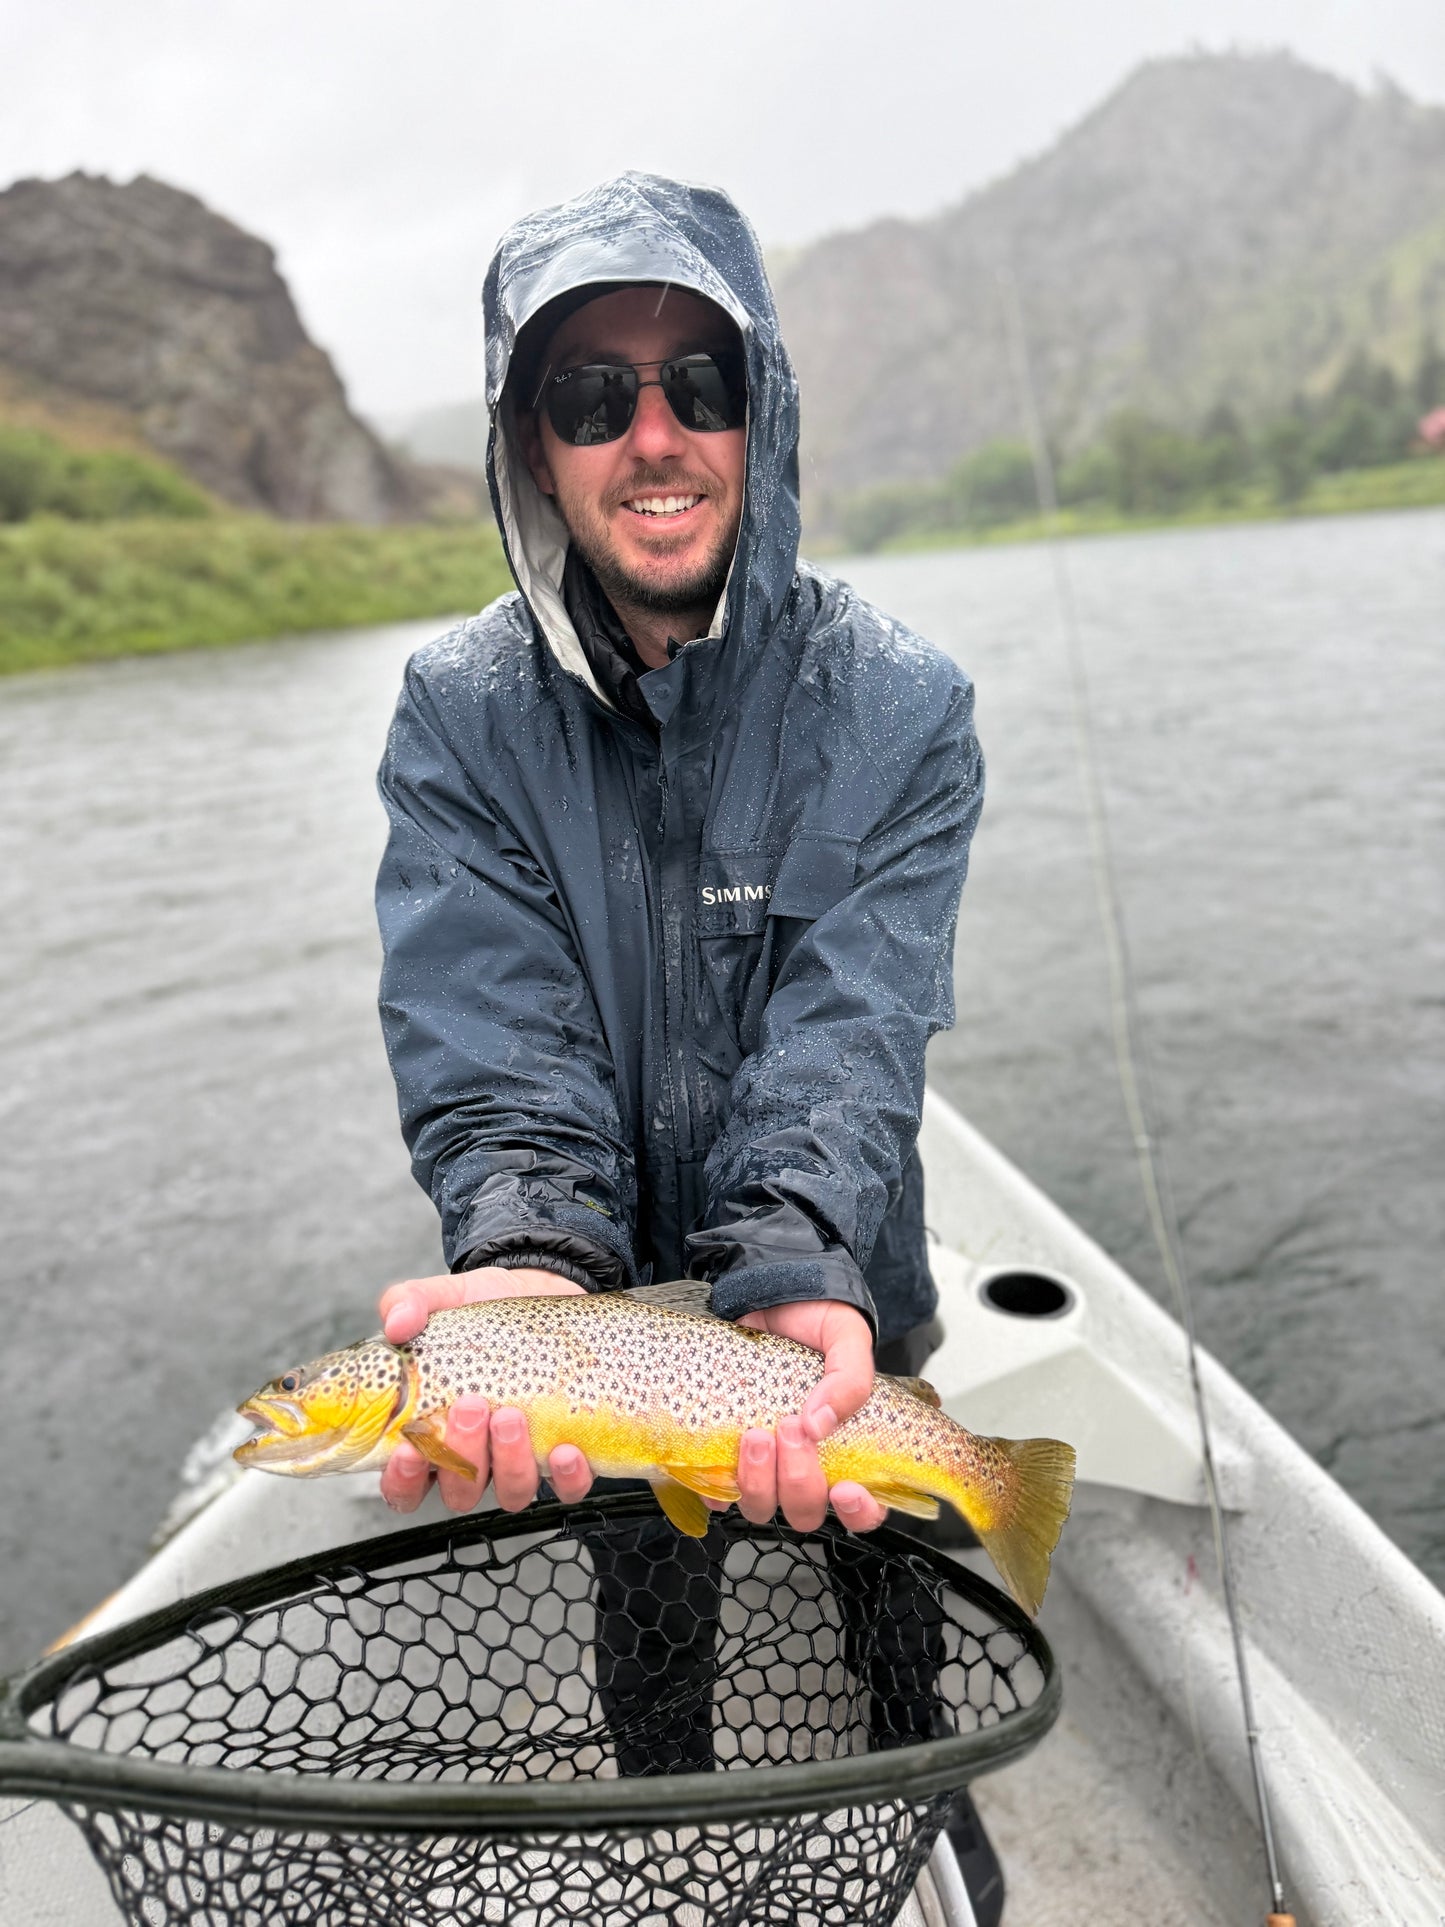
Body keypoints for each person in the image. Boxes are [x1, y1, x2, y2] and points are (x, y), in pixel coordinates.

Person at [370, 173, 997, 1921]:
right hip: (597, 1314)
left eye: (696, 387)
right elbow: (488, 1028)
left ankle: (923, 1803)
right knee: (646, 1584)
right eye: (590, 396)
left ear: (758, 413)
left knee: (889, 1579)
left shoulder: (903, 704)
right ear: (533, 449)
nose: (653, 437)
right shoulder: (456, 719)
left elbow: (854, 1021)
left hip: (838, 1282)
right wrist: (527, 1248)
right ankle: (673, 1823)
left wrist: (799, 1250)